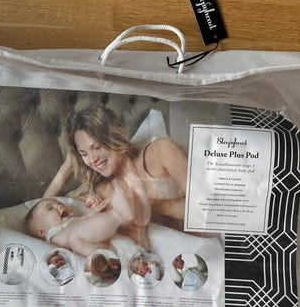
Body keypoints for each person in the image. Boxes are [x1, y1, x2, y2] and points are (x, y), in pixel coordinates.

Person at [43, 105, 188, 248]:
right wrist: (66, 167)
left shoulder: (160, 151)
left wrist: (147, 204)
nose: (93, 159)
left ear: (115, 136)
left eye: (97, 147)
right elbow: (41, 212)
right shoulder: (104, 191)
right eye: (84, 153)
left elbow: (199, 208)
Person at [25, 180, 133, 257]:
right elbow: (69, 239)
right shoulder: (53, 237)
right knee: (75, 236)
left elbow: (87, 221)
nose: (60, 206)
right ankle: (119, 214)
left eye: (61, 204)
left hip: (107, 247)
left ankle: (121, 208)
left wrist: (95, 209)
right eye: (50, 208)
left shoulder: (75, 222)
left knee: (83, 227)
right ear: (41, 232)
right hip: (95, 255)